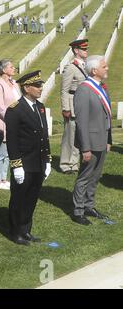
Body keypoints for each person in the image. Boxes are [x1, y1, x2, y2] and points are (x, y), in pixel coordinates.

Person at [5, 70, 51, 246]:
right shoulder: (15, 110)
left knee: (32, 197)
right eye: (37, 85)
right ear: (26, 88)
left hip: (38, 161)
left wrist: (47, 160)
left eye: (41, 85)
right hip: (24, 162)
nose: (40, 88)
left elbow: (43, 135)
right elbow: (12, 140)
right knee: (19, 198)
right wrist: (16, 165)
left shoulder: (40, 107)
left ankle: (26, 229)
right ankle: (16, 231)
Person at [71, 55, 112, 225]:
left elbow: (106, 117)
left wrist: (109, 139)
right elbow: (82, 121)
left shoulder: (101, 88)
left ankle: (89, 205)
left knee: (95, 177)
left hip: (102, 140)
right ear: (95, 70)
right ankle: (78, 210)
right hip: (90, 142)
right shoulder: (84, 89)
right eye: (104, 66)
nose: (107, 68)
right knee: (85, 177)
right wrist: (85, 148)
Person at [59, 39, 89, 174]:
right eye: (83, 49)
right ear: (76, 50)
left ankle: (75, 163)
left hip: (84, 103)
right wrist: (65, 108)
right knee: (70, 135)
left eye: (86, 49)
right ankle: (66, 164)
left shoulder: (86, 65)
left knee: (80, 135)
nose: (86, 51)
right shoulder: (70, 67)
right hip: (72, 103)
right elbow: (64, 89)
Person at [0, 59, 20, 190]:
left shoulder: (14, 83)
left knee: (9, 152)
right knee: (2, 153)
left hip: (14, 121)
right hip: (3, 122)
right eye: (11, 67)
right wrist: (11, 118)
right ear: (3, 70)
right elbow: (0, 106)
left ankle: (4, 178)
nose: (14, 68)